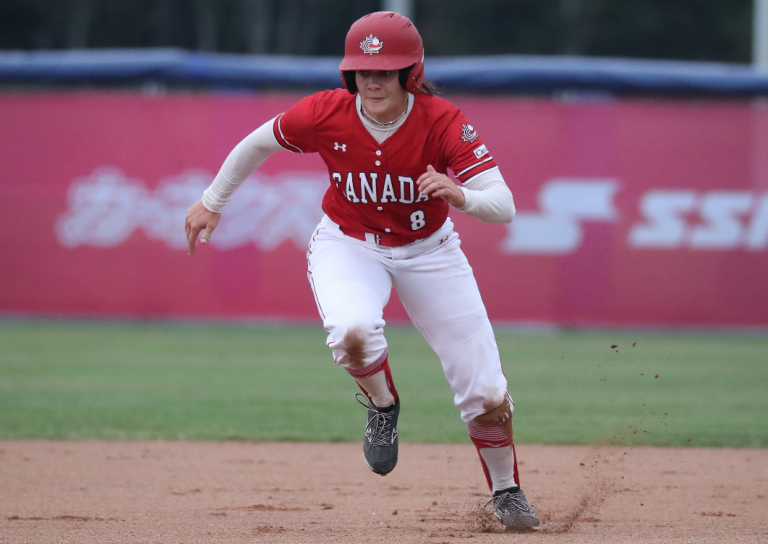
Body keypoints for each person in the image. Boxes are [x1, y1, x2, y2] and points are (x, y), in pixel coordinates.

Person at [185, 11, 539, 532]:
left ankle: (506, 490)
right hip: (349, 243)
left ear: (410, 74)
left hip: (430, 251)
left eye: (385, 71)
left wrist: (459, 193)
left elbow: (504, 204)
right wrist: (213, 200)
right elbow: (257, 142)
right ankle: (382, 405)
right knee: (352, 333)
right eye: (362, 71)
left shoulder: (442, 120)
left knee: (485, 390)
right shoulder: (326, 112)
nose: (372, 81)